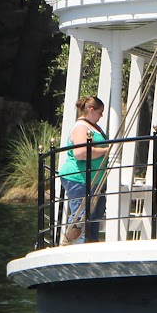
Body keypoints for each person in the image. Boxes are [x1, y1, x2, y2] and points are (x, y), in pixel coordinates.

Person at [58, 96, 109, 244]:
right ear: (91, 110)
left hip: (93, 180)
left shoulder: (92, 127)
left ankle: (90, 247)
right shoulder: (81, 127)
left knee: (93, 217)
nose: (101, 116)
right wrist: (106, 150)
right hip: (79, 178)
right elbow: (80, 153)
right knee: (80, 218)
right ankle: (75, 248)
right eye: (100, 112)